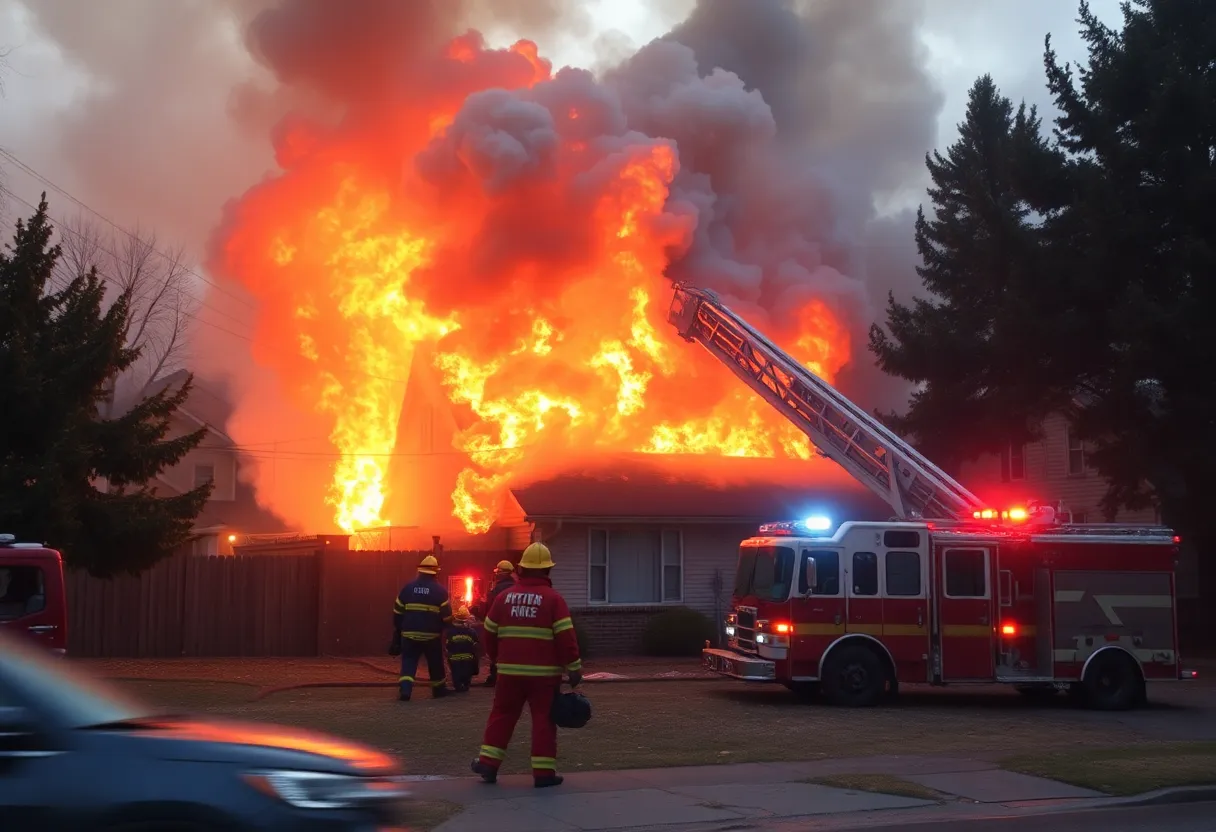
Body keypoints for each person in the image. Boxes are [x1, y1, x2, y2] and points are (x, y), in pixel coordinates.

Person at [471, 542, 582, 789]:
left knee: (502, 716)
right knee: (543, 720)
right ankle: (543, 774)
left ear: (521, 569)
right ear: (547, 571)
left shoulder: (503, 597)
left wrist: (497, 659)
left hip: (509, 674)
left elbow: (489, 631)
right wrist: (574, 667)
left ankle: (488, 765)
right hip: (544, 677)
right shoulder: (554, 599)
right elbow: (566, 637)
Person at [389, 554, 453, 701]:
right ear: (435, 572)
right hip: (431, 636)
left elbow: (397, 612)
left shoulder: (408, 588)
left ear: (420, 571)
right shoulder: (440, 591)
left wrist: (399, 629)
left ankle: (405, 691)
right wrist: (447, 627)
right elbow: (447, 617)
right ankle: (438, 690)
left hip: (409, 634)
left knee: (408, 661)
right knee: (435, 662)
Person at [481, 560, 516, 687]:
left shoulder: (496, 591)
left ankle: (495, 677)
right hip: (516, 627)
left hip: (499, 627)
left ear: (501, 574)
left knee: (497, 652)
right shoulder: (518, 587)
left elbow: (489, 610)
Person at [445, 605, 481, 692]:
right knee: (467, 674)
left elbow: (447, 645)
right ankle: (465, 685)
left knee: (456, 674)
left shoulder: (450, 632)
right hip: (468, 660)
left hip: (454, 660)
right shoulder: (472, 632)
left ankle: (458, 686)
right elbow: (476, 646)